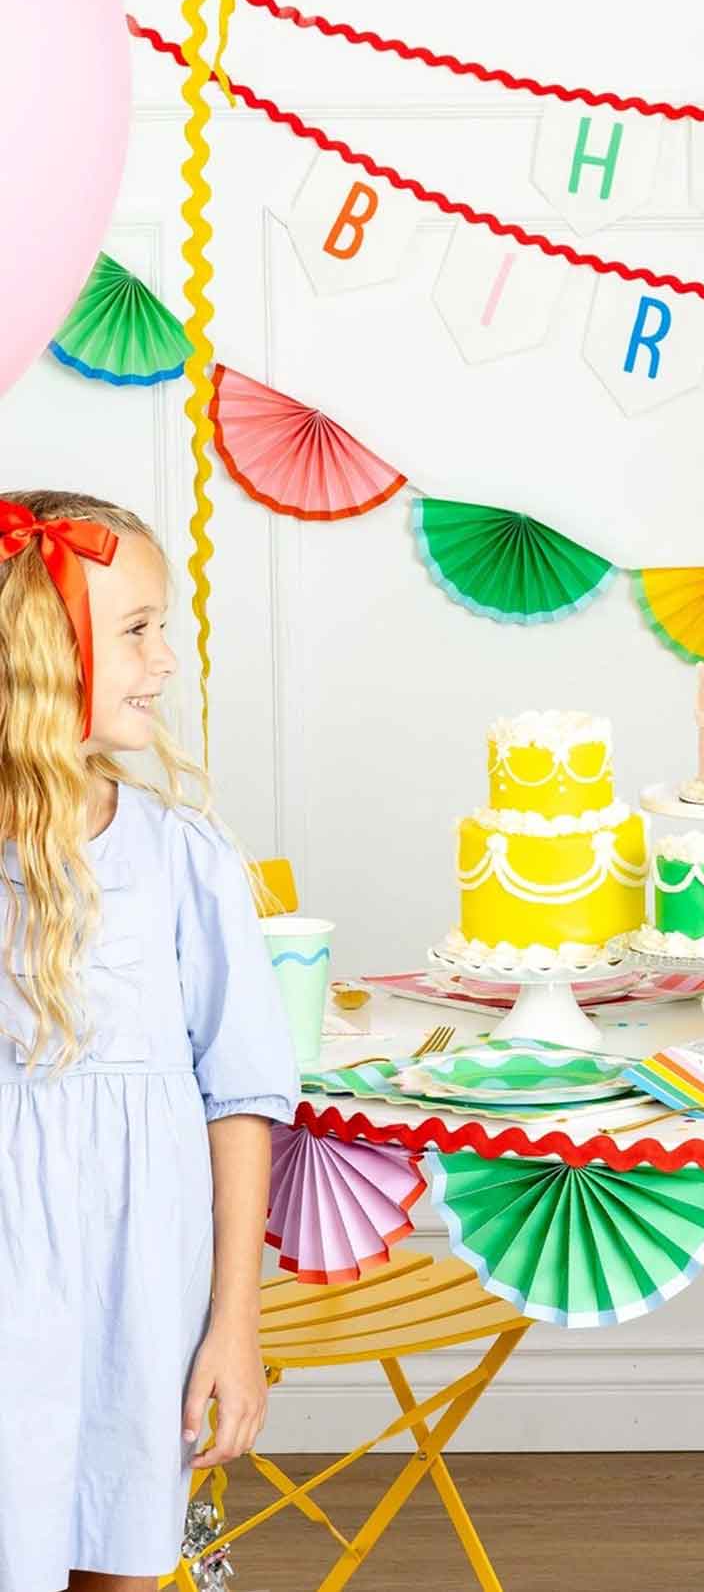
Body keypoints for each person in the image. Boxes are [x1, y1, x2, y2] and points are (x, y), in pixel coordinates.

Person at [0, 492, 299, 1592]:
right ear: (40, 649)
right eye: (135, 629)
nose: (166, 660)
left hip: (143, 1287)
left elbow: (242, 1095)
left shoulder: (183, 858)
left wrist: (235, 1326)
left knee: (122, 1549)